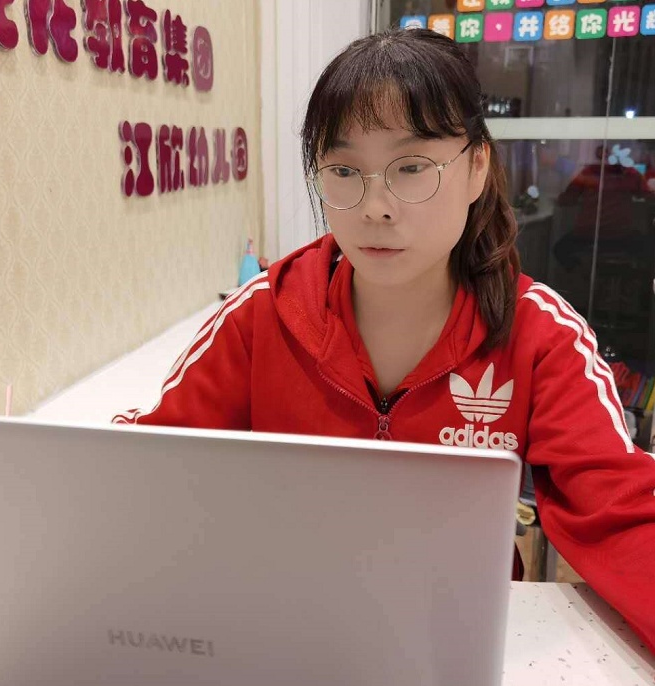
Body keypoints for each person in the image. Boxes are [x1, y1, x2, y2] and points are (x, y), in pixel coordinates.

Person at [113, 29, 655, 653]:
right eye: (345, 170)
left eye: (412, 167)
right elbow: (139, 470)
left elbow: (622, 514)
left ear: (477, 167)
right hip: (285, 627)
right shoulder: (263, 315)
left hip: (459, 637)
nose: (375, 207)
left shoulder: (539, 334)